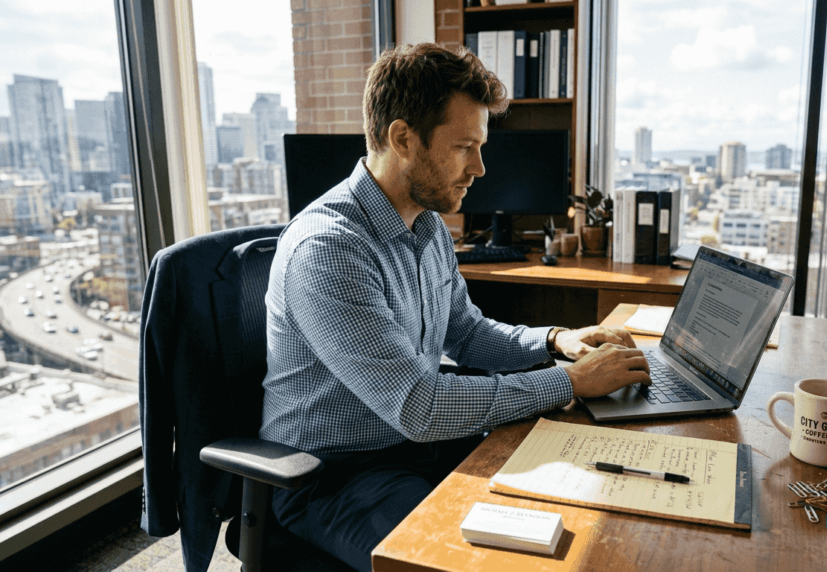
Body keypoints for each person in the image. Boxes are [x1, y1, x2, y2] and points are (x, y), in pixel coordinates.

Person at [260, 43, 651, 571]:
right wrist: (571, 381)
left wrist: (556, 339)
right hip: (336, 475)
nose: (481, 168)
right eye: (465, 146)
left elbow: (465, 333)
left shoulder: (425, 225)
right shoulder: (329, 249)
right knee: (479, 565)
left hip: (416, 447)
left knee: (579, 506)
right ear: (403, 138)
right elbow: (419, 407)